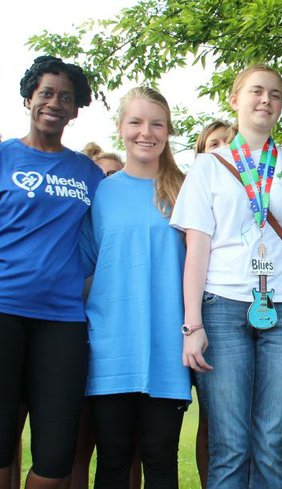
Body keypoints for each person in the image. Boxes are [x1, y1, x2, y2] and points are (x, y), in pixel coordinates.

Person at [171, 64, 282, 488]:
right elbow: (196, 248)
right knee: (230, 446)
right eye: (257, 91)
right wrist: (192, 324)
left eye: (275, 94)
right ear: (235, 100)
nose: (266, 100)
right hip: (221, 308)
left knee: (270, 444)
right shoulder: (207, 166)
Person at [0, 55, 103, 489]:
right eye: (46, 93)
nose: (55, 103)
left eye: (66, 97)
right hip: (4, 311)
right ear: (29, 99)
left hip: (63, 321)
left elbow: (106, 239)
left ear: (76, 110)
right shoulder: (4, 157)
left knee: (57, 454)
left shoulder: (89, 173)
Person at [81, 86, 189, 488]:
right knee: (112, 460)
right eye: (136, 122)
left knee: (161, 459)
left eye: (157, 123)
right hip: (111, 346)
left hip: (167, 345)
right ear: (121, 128)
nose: (147, 132)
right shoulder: (101, 193)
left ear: (168, 131)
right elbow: (88, 270)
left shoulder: (187, 190)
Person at [188, 119, 232, 489]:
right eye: (212, 143)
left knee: (226, 419)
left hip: (226, 308)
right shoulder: (194, 187)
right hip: (190, 315)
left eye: (227, 143)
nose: (221, 148)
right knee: (210, 418)